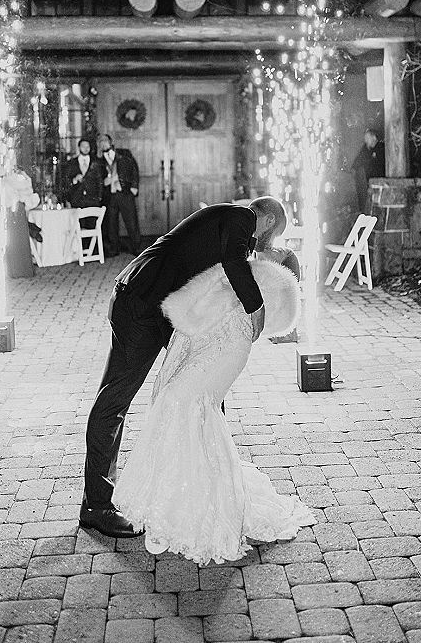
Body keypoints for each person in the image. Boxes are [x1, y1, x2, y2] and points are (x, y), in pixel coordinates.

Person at [80, 196, 288, 539]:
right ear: (267, 220)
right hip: (141, 303)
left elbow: (228, 266)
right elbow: (234, 262)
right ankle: (96, 506)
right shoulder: (241, 216)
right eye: (273, 232)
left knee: (201, 387)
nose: (267, 240)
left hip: (158, 306)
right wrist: (258, 308)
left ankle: (204, 485)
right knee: (114, 401)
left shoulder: (225, 224)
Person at [113, 251, 315, 564]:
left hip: (231, 342)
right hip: (209, 335)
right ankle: (174, 501)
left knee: (183, 401)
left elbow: (260, 309)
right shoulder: (241, 254)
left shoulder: (278, 265)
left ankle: (196, 510)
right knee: (177, 404)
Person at [99, 134, 141, 257]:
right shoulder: (99, 160)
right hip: (110, 195)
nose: (103, 144)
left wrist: (134, 187)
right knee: (111, 224)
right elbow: (97, 178)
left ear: (111, 142)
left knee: (131, 222)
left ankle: (137, 247)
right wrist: (103, 182)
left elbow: (134, 169)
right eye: (100, 142)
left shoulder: (124, 153)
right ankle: (114, 248)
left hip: (125, 193)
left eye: (105, 141)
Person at [351, 128, 385, 210]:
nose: (366, 141)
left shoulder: (381, 147)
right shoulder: (366, 148)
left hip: (381, 180)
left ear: (374, 137)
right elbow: (359, 158)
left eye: (368, 138)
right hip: (371, 181)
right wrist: (354, 168)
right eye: (365, 139)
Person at [64, 138, 103, 210]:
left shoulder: (96, 162)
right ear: (79, 147)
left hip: (93, 201)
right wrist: (75, 180)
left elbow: (100, 181)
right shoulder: (71, 163)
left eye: (87, 147)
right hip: (76, 200)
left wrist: (99, 198)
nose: (86, 149)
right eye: (83, 146)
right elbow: (66, 181)